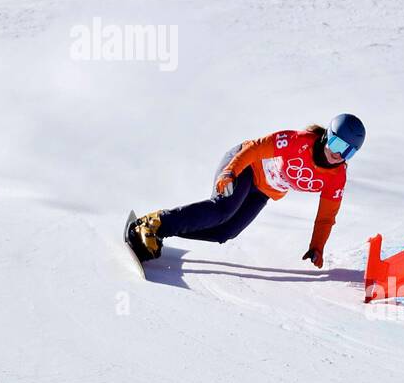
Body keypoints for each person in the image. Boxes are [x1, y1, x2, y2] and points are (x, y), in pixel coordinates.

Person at [127, 113, 365, 268]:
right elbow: (255, 147)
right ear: (326, 137)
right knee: (222, 210)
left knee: (226, 232)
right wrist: (231, 170)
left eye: (348, 152)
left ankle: (161, 232)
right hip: (245, 166)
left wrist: (317, 246)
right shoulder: (299, 141)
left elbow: (326, 216)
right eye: (336, 144)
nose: (338, 154)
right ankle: (152, 224)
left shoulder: (337, 177)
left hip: (263, 190)